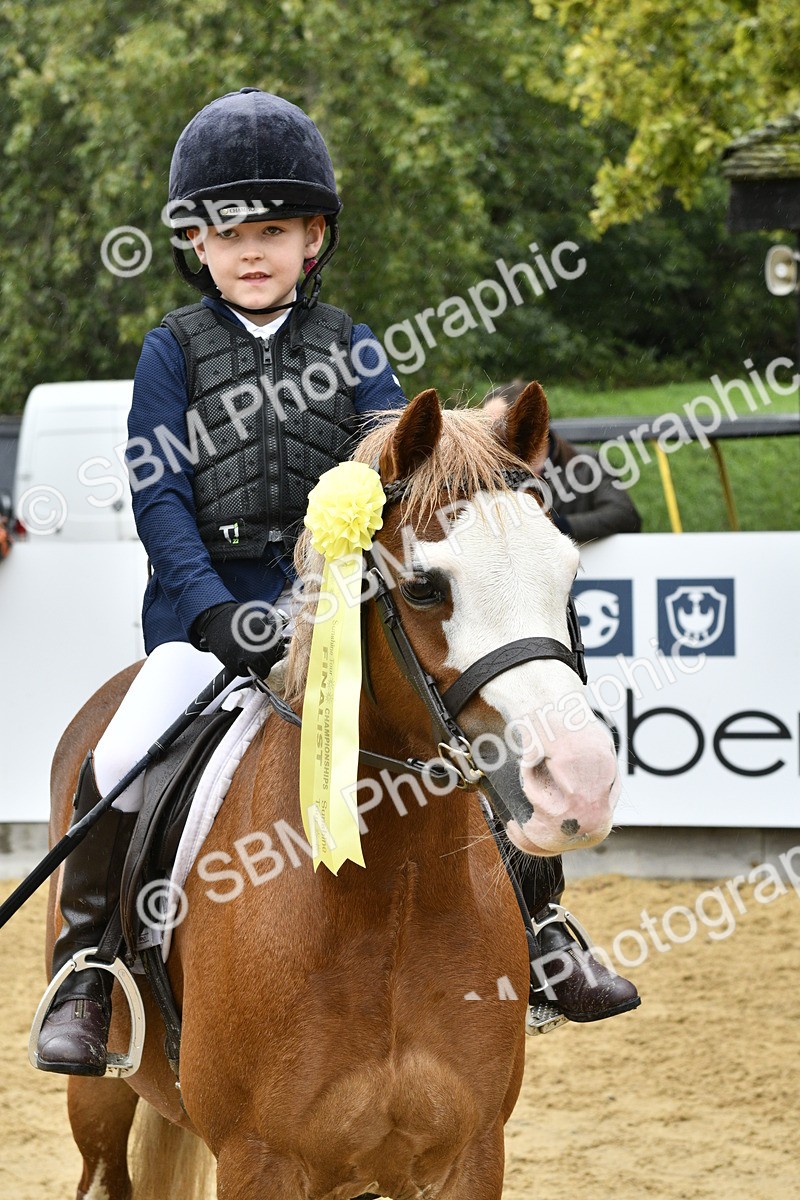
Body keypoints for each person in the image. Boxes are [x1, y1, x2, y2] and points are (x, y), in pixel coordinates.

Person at [35, 88, 407, 1075]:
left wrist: (334, 597)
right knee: (108, 764)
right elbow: (159, 499)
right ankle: (88, 975)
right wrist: (211, 613)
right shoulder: (170, 349)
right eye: (228, 231)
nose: (251, 250)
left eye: (273, 230)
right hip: (204, 624)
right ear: (196, 244)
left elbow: (395, 470)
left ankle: (540, 929)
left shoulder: (356, 349)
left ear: (312, 239)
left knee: (461, 726)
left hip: (336, 617)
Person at [483, 381, 641, 1031]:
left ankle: (546, 935)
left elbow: (624, 512)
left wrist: (559, 529)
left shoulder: (573, 467)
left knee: (518, 747)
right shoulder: (469, 494)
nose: (497, 450)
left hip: (534, 606)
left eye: (510, 436)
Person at [483, 381, 642, 542]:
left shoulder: (588, 463)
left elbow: (625, 516)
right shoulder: (484, 474)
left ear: (529, 424)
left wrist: (559, 527)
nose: (486, 437)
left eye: (496, 427)